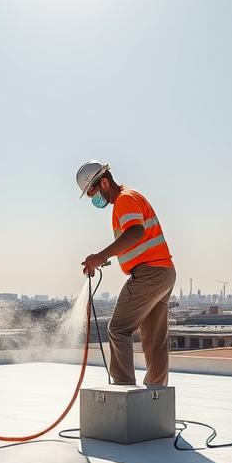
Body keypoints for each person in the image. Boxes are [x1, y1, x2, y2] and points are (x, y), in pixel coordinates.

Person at [78, 160, 176, 386]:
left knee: (118, 329)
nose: (94, 199)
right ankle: (155, 394)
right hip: (164, 273)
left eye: (93, 193)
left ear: (104, 182)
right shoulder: (131, 197)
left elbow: (135, 232)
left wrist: (101, 256)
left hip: (149, 274)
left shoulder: (124, 200)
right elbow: (135, 238)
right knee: (154, 339)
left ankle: (123, 391)